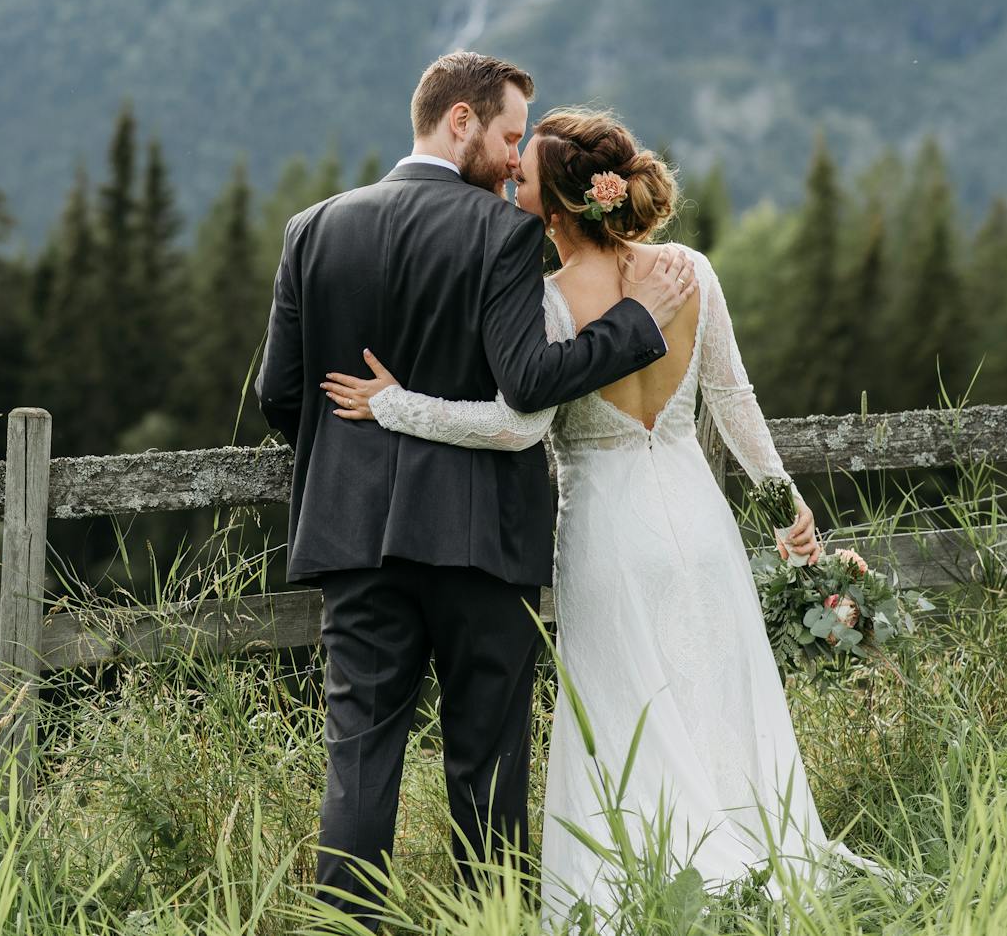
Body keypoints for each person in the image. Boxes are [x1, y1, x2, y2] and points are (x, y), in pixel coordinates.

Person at [321, 106, 873, 924]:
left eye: (523, 179)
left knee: (625, 714)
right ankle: (754, 863)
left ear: (556, 209)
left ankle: (655, 885)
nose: (510, 184)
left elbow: (515, 426)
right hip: (701, 523)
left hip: (609, 534)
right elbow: (732, 399)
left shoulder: (549, 302)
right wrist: (786, 506)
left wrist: (399, 405)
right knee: (719, 698)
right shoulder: (690, 272)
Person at [254, 53, 745, 927]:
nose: (516, 160)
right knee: (487, 776)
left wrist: (354, 466)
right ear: (459, 123)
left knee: (358, 767)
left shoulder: (313, 228)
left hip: (355, 544)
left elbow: (279, 397)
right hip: (484, 544)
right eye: (511, 135)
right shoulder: (502, 233)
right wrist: (638, 326)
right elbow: (525, 381)